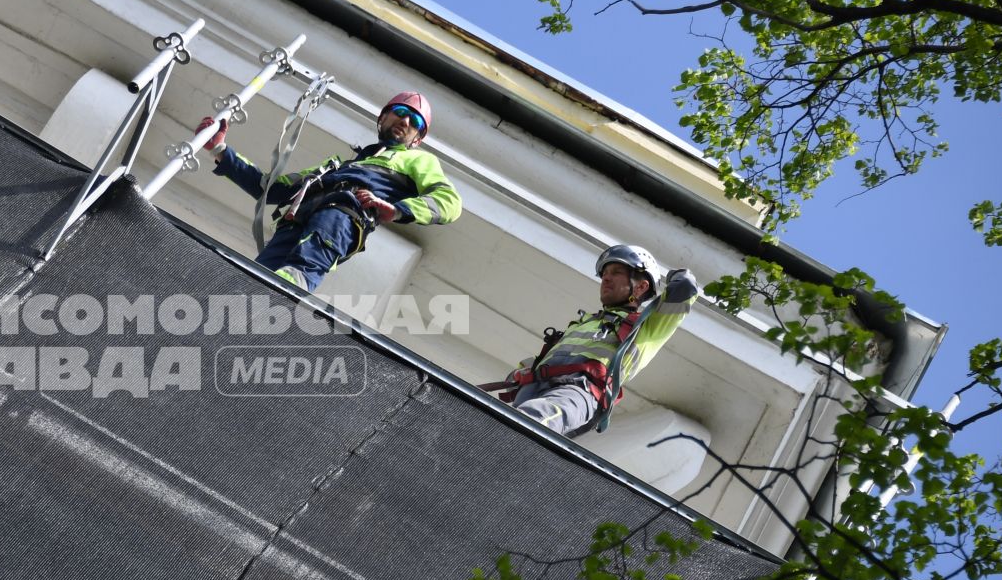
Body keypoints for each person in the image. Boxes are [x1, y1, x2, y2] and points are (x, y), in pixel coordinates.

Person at [196, 91, 462, 291]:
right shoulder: (335, 168)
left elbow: (448, 201)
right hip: (297, 221)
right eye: (400, 111)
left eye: (414, 120)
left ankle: (277, 302)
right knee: (254, 278)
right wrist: (220, 150)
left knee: (298, 272)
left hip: (342, 216)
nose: (405, 120)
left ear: (417, 139)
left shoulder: (418, 161)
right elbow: (271, 190)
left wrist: (398, 210)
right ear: (382, 118)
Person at [494, 244, 700, 437]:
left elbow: (685, 288)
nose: (606, 279)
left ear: (641, 287)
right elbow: (559, 358)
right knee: (503, 424)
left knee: (537, 417)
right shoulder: (584, 322)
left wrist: (676, 275)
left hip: (580, 392)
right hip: (535, 386)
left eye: (617, 273)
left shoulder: (646, 327)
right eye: (605, 274)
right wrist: (521, 371)